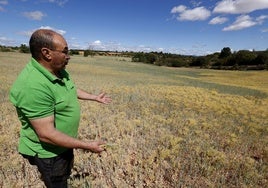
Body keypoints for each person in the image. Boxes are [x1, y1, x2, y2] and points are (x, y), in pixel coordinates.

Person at [9, 29, 112, 188]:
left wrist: (94, 97)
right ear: (46, 53)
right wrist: (87, 145)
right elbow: (47, 135)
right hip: (49, 154)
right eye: (65, 51)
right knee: (57, 183)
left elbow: (69, 89)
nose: (68, 55)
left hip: (63, 146)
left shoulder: (58, 71)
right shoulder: (33, 86)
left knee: (64, 175)